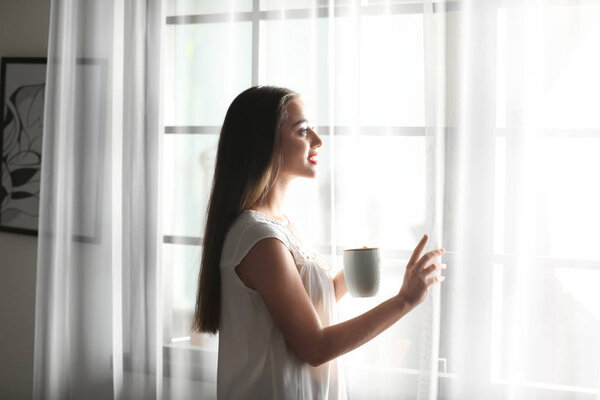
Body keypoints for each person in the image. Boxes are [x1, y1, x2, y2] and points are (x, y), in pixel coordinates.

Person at [192, 86, 446, 400]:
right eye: (302, 131)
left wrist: (353, 273)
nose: (317, 140)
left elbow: (303, 306)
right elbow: (315, 346)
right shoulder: (258, 238)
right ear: (264, 142)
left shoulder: (281, 225)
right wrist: (404, 300)